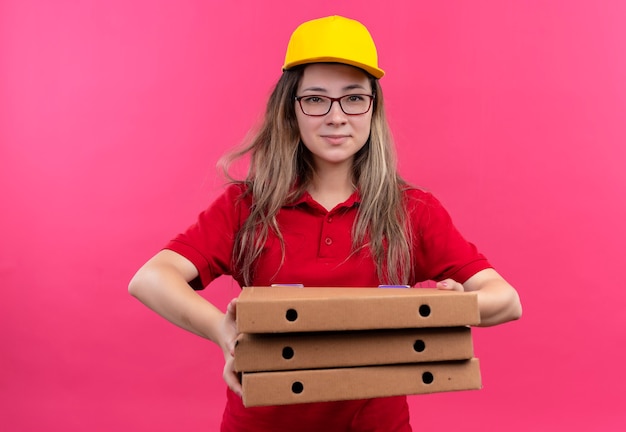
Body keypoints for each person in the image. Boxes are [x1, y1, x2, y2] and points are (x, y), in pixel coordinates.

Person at [129, 15, 522, 432]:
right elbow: (150, 278)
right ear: (291, 109)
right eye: (316, 99)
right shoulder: (247, 207)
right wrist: (223, 333)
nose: (336, 117)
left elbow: (507, 300)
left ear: (373, 108)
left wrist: (445, 309)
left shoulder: (411, 210)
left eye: (353, 98)